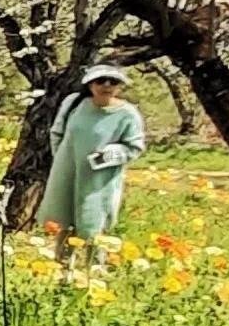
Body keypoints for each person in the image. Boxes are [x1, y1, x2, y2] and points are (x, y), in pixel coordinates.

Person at [37, 64, 147, 263]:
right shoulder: (74, 103)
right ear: (89, 84)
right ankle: (63, 274)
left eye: (113, 81)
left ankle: (94, 274)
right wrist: (62, 160)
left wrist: (108, 155)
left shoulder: (127, 114)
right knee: (65, 224)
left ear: (119, 86)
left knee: (94, 228)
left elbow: (134, 147)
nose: (106, 85)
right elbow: (57, 133)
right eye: (100, 81)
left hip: (99, 181)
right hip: (67, 174)